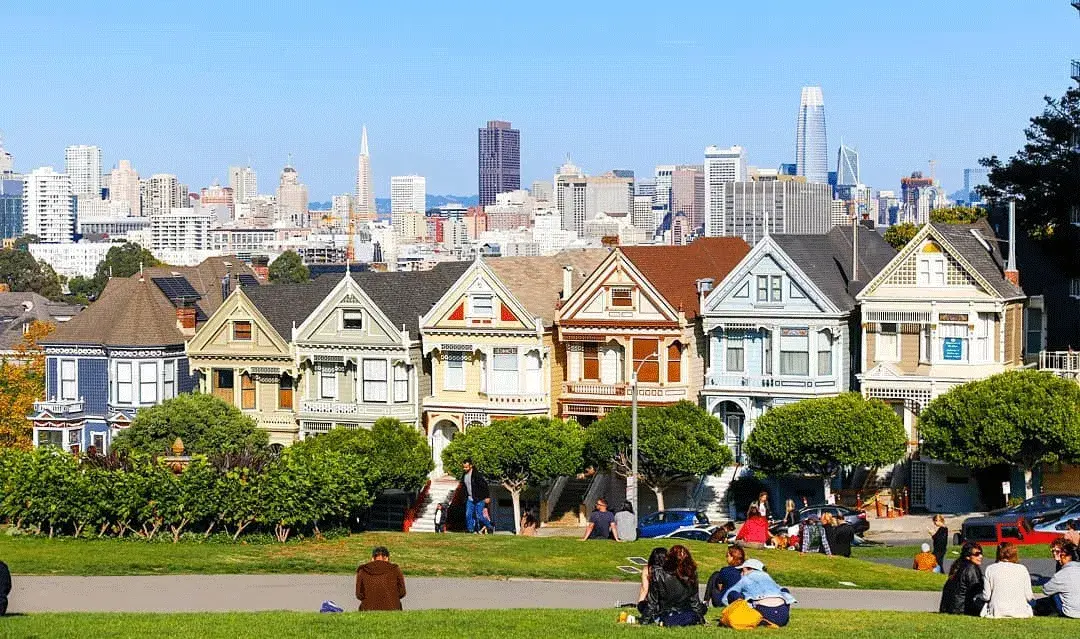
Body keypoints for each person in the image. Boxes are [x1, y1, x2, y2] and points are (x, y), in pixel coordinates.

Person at [641, 544, 706, 626]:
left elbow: (652, 602)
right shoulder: (691, 574)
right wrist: (701, 620)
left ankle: (668, 620)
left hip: (663, 612)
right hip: (683, 611)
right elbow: (694, 601)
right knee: (699, 609)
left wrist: (644, 621)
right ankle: (675, 620)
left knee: (643, 605)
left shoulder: (658, 573)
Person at [720, 558, 796, 628]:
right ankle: (772, 620)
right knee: (784, 591)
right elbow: (783, 590)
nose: (741, 574)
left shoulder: (745, 579)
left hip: (765, 611)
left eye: (742, 571)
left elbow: (725, 598)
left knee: (733, 594)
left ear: (747, 569)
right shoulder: (768, 577)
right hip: (783, 615)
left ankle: (761, 619)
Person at [981, 542, 1034, 618]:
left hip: (997, 611)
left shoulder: (990, 569)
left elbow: (987, 596)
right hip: (1020, 611)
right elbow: (1029, 596)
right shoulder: (1022, 569)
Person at [939, 541, 984, 616]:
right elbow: (977, 590)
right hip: (962, 609)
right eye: (976, 554)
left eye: (981, 553)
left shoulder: (959, 566)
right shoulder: (971, 568)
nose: (980, 556)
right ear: (968, 556)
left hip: (950, 608)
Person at [1036, 541, 1080, 617]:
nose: (1055, 555)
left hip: (1070, 612)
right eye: (1053, 551)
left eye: (1058, 552)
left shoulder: (1062, 573)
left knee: (1055, 592)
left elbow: (1046, 590)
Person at [355, 546, 407, 611]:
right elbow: (402, 592)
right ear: (386, 558)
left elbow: (359, 594)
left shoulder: (363, 570)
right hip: (392, 609)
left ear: (373, 558)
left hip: (368, 609)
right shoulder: (395, 569)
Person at [460, 459, 492, 534]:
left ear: (471, 466)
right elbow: (464, 487)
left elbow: (485, 485)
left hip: (479, 499)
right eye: (464, 467)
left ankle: (489, 526)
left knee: (479, 516)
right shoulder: (464, 475)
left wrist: (487, 497)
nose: (465, 469)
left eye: (466, 467)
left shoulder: (477, 475)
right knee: (468, 515)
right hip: (470, 499)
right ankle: (470, 530)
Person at [637, 547, 668, 617]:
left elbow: (644, 589)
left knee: (644, 605)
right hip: (669, 604)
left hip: (653, 604)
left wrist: (640, 604)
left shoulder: (647, 570)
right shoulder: (670, 570)